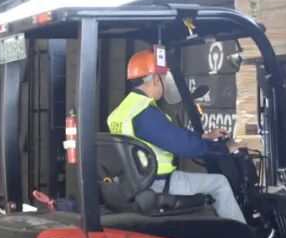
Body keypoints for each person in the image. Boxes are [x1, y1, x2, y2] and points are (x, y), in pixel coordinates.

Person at [107, 50, 252, 227]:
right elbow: (182, 145)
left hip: (134, 183)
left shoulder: (125, 109)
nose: (166, 84)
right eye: (164, 78)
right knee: (220, 183)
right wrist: (225, 148)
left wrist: (202, 136)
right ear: (156, 79)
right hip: (157, 183)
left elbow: (167, 135)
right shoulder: (145, 113)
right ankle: (243, 237)